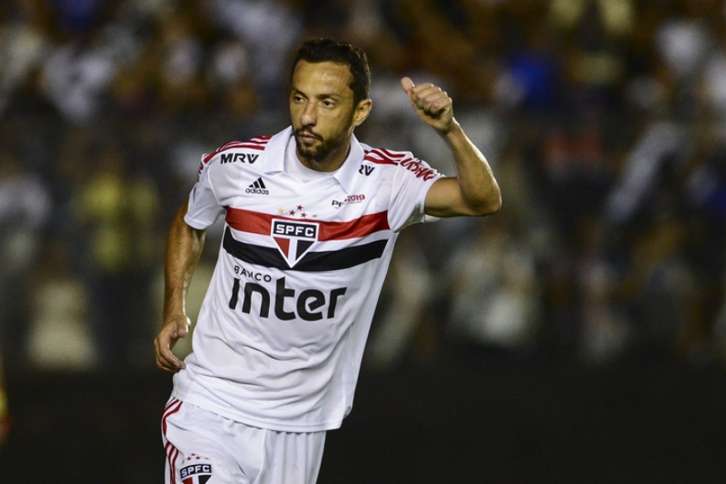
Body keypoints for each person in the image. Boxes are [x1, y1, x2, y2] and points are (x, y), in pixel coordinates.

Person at [154, 38, 501, 484]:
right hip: (210, 408)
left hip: (302, 426)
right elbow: (189, 220)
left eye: (327, 102)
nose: (308, 116)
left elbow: (483, 199)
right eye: (299, 98)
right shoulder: (238, 165)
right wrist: (173, 307)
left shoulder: (386, 183)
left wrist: (449, 131)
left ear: (360, 111)